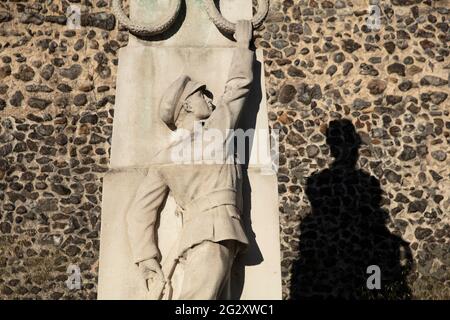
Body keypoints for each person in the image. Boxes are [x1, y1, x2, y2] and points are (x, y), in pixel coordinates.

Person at [127, 20, 254, 299]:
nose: (209, 98)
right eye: (201, 94)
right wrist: (242, 46)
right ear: (186, 105)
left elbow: (140, 211)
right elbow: (236, 90)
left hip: (210, 234)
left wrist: (147, 258)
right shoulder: (215, 132)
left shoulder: (165, 157)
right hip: (216, 232)